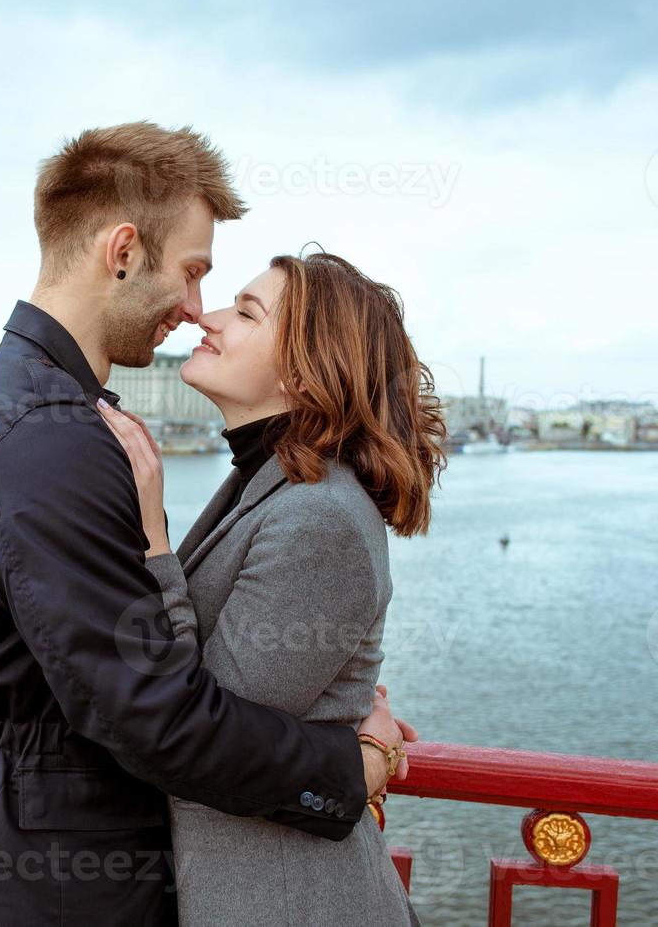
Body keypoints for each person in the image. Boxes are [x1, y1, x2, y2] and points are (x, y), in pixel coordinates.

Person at [0, 122, 417, 925]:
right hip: (55, 870)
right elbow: (160, 720)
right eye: (193, 273)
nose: (197, 310)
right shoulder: (54, 439)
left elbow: (161, 697)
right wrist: (358, 764)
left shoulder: (39, 407)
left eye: (236, 305)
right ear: (122, 252)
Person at [98, 250, 446, 925]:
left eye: (246, 310)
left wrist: (152, 541)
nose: (207, 314)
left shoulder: (319, 515)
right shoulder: (271, 484)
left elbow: (199, 740)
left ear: (304, 367)